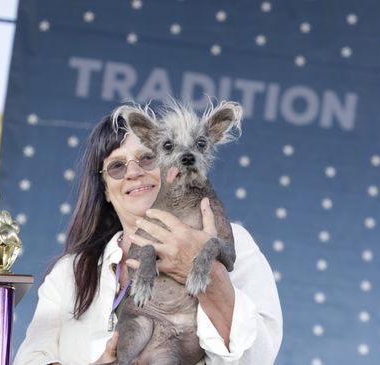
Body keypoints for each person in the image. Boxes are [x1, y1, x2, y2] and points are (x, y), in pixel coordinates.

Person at [14, 114, 283, 365]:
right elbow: (30, 358)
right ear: (105, 190)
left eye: (147, 158)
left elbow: (260, 354)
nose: (133, 172)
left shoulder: (236, 241)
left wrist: (205, 269)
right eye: (117, 166)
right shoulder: (71, 273)